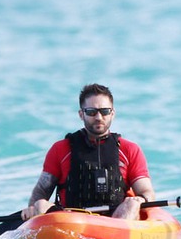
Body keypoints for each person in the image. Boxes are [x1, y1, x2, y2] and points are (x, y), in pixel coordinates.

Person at [21, 83, 155, 222]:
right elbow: (41, 191)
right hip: (72, 221)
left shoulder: (130, 150)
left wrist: (141, 199)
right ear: (81, 114)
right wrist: (32, 209)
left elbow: (146, 191)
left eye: (104, 111)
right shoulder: (60, 149)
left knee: (132, 204)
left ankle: (112, 238)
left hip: (117, 221)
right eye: (91, 112)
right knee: (41, 204)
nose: (98, 117)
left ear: (112, 113)